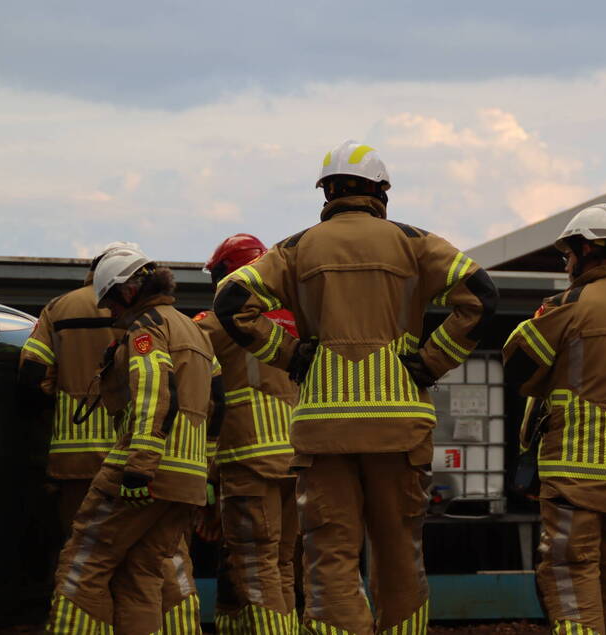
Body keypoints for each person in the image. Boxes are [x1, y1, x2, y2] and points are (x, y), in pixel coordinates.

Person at [213, 141, 498, 635]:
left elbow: (232, 299)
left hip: (324, 432)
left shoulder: (296, 248)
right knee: (399, 555)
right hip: (399, 431)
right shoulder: (415, 243)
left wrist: (288, 354)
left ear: (326, 193)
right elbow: (481, 296)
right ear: (381, 192)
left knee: (329, 555)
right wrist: (432, 360)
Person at [47, 245, 224, 635]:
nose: (110, 314)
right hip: (186, 479)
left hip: (145, 470)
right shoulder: (193, 328)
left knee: (83, 562)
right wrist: (207, 472)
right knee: (141, 575)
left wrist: (139, 465)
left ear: (128, 292)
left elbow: (153, 392)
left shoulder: (147, 328)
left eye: (110, 303)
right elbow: (218, 402)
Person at [503, 203, 606, 635]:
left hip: (576, 469)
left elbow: (516, 362)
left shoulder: (571, 303)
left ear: (588, 248)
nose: (567, 262)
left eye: (568, 253)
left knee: (570, 574)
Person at [195, 234, 301, 634]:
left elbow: (186, 367)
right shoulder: (294, 318)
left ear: (226, 274)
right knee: (282, 564)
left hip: (248, 457)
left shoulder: (217, 322)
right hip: (296, 457)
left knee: (255, 566)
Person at [17, 242, 126, 533]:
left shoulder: (59, 308)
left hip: (74, 463)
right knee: (134, 560)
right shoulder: (144, 311)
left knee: (80, 552)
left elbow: (32, 374)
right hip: (134, 460)